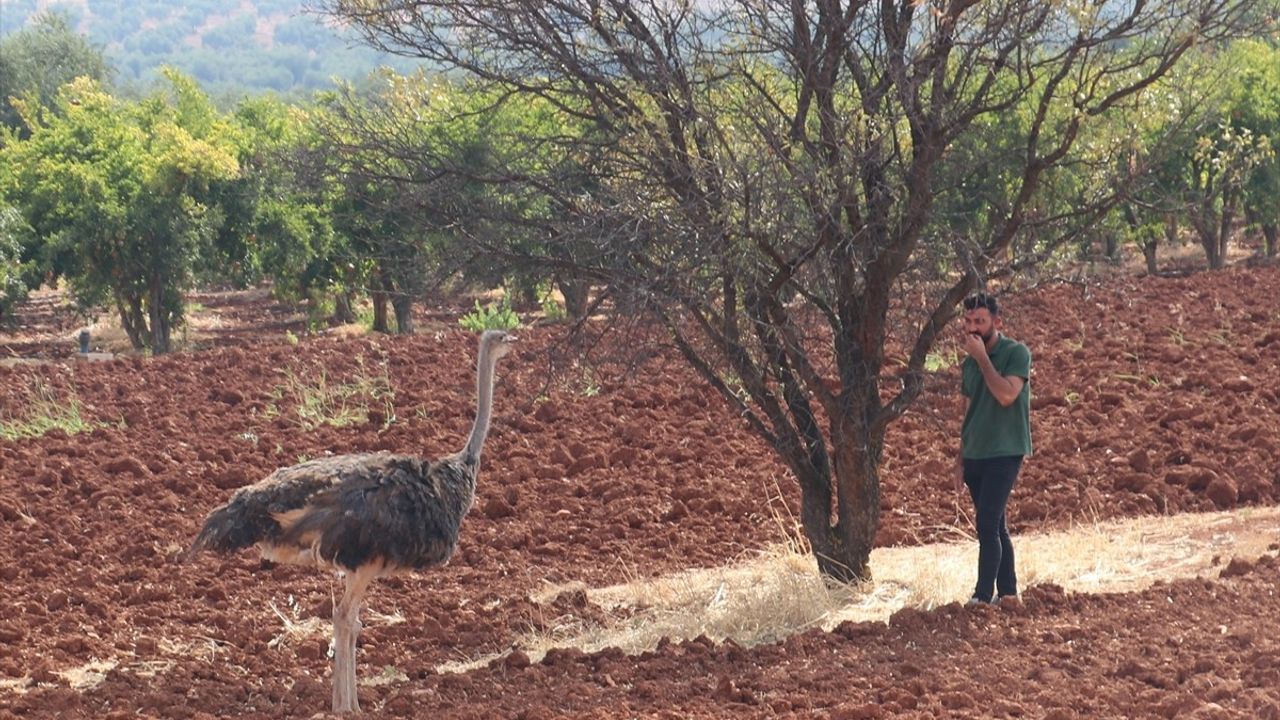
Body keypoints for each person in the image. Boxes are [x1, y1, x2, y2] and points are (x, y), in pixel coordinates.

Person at [956, 292, 1031, 606]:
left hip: (1005, 449)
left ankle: (983, 596)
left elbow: (1006, 395)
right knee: (996, 524)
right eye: (969, 321)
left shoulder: (1016, 353)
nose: (974, 327)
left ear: (996, 322)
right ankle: (1009, 593)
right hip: (975, 453)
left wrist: (983, 359)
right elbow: (967, 411)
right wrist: (959, 458)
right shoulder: (968, 364)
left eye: (981, 321)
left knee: (987, 521)